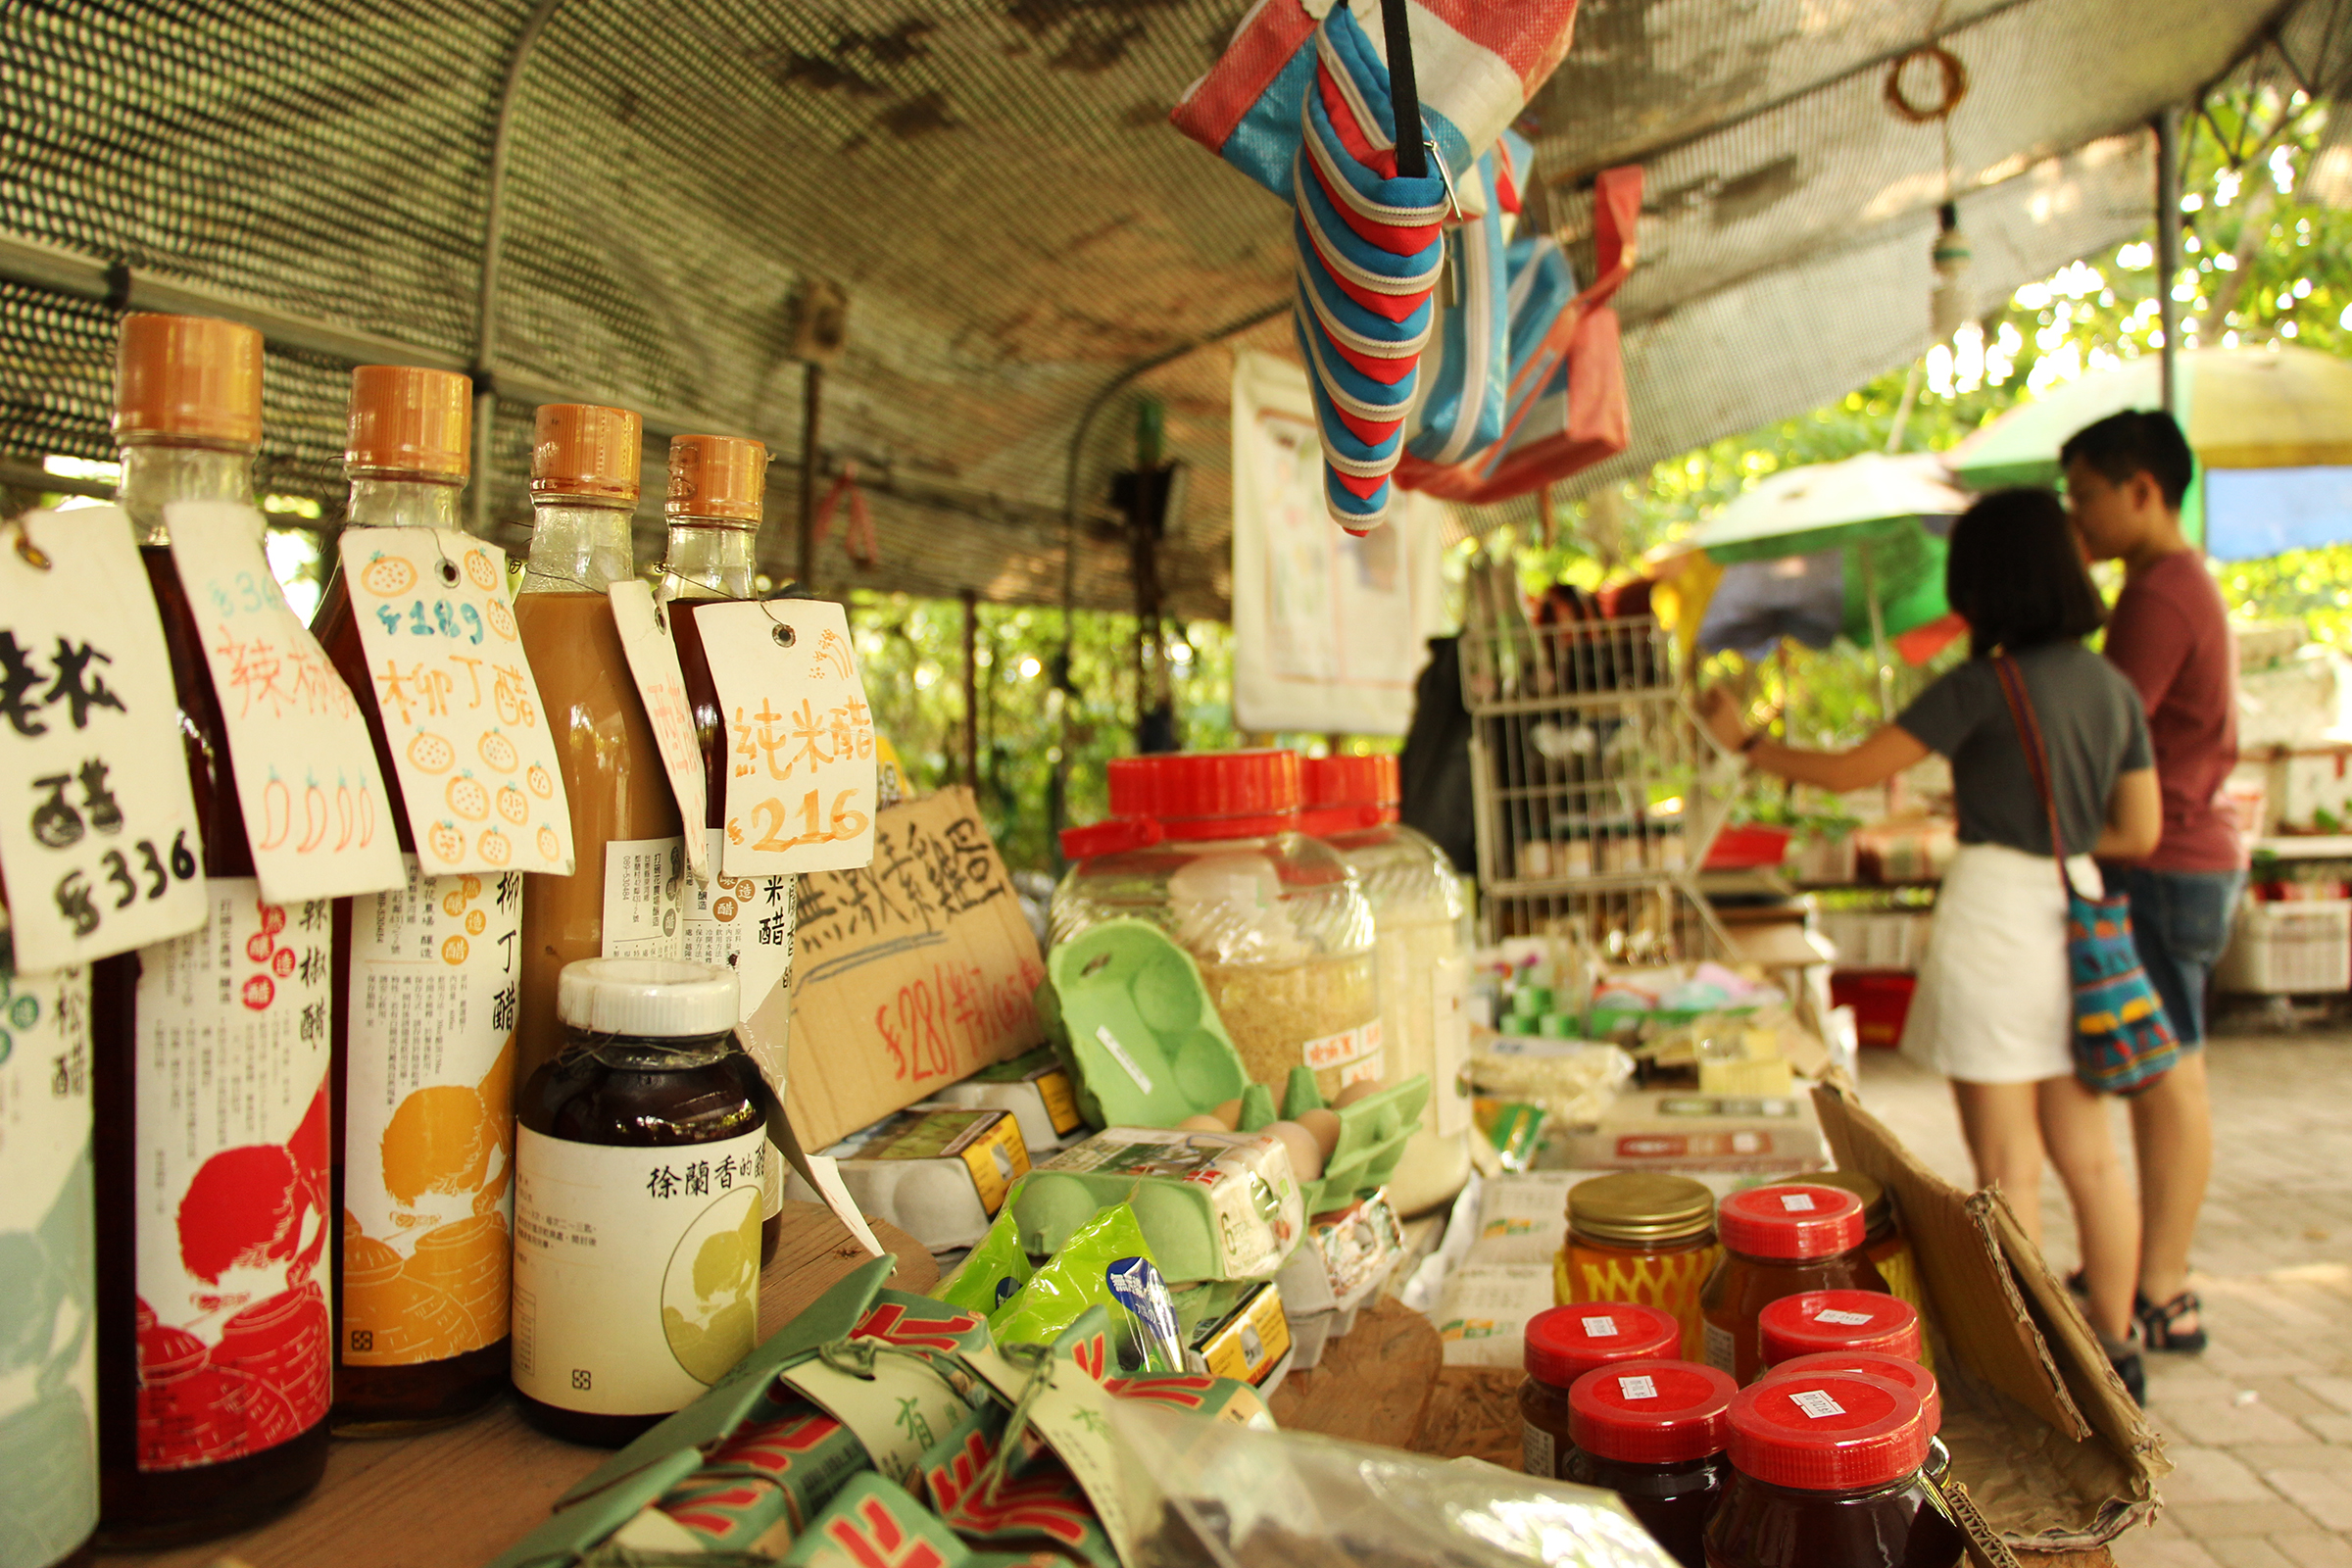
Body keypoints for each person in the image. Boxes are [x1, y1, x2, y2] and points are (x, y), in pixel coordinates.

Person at [1700, 487, 2161, 1398]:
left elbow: (1850, 771)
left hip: (1996, 919)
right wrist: (2051, 833)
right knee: (2093, 1155)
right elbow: (2138, 829)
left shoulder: (1982, 686)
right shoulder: (2111, 687)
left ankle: (2036, 1361)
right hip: (2082, 922)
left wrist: (1745, 740)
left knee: (2006, 1164)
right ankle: (2117, 1345)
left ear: (1986, 583)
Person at [2063, 410, 2242, 1355]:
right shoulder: (2169, 586)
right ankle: (2140, 1269)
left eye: (2086, 497)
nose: (2076, 518)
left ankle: (2162, 1287)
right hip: (2180, 853)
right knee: (2165, 1073)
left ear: (2142, 490)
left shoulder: (2157, 596)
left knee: (2168, 1077)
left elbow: (2102, 731)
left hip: (2163, 858)